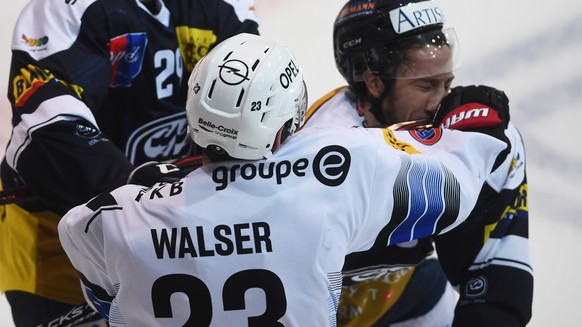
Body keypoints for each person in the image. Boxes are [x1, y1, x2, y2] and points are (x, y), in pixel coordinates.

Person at [57, 33, 511, 326]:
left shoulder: (118, 214)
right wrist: (475, 124)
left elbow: (92, 269)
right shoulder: (336, 170)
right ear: (284, 119)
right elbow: (453, 187)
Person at [0, 0, 259, 325]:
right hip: (61, 238)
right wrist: (141, 193)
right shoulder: (62, 11)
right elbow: (47, 130)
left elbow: (254, 107)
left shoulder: (223, 8)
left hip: (180, 230)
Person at [303, 0, 533, 326]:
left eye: (447, 84)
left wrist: (489, 155)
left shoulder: (461, 127)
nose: (439, 102)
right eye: (425, 86)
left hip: (410, 298)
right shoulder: (319, 145)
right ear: (374, 83)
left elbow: (501, 292)